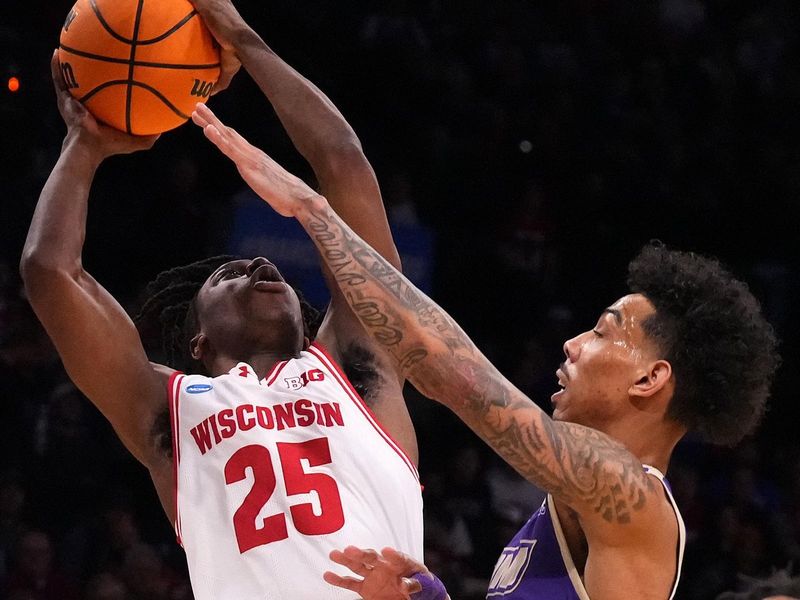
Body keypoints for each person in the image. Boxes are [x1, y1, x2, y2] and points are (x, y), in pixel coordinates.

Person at [190, 104, 781, 600]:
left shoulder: (631, 495)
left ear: (651, 378)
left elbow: (451, 373)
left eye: (602, 331)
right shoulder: (573, 506)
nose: (573, 344)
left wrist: (318, 216)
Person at [20, 1, 423, 598]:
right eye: (231, 274)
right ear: (198, 342)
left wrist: (244, 38)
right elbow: (50, 273)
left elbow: (342, 162)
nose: (261, 264)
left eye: (262, 268)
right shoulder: (170, 412)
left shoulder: (360, 367)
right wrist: (84, 144)